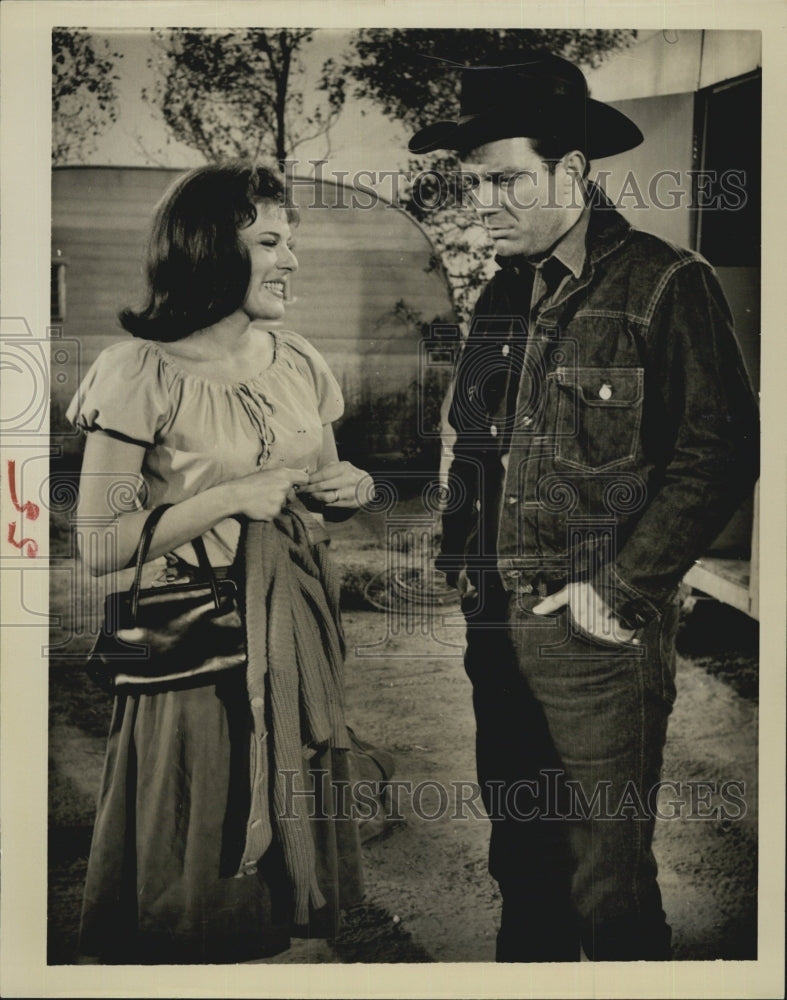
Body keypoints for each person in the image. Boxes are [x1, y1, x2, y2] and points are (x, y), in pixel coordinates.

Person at [408, 53, 759, 961]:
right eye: (471, 183)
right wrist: (463, 568)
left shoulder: (665, 284)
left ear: (571, 170)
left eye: (504, 180)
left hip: (594, 634)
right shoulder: (498, 292)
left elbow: (719, 451)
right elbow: (476, 445)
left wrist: (621, 590)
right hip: (495, 622)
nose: (482, 202)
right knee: (520, 861)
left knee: (606, 878)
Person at [67, 162, 381, 963]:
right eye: (269, 241)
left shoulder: (300, 359)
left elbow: (314, 488)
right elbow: (99, 543)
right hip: (197, 652)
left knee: (286, 886)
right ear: (210, 249)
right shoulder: (138, 369)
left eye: (291, 240)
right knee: (204, 868)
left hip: (295, 639)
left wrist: (345, 491)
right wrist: (228, 497)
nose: (291, 260)